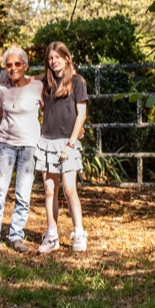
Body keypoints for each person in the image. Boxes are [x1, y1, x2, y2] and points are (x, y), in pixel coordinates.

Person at [0, 46, 43, 254]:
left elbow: (51, 108)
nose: (13, 68)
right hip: (5, 144)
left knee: (23, 193)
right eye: (9, 65)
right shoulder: (1, 87)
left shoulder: (37, 86)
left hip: (29, 145)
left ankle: (16, 235)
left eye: (18, 64)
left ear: (25, 66)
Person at [36, 41, 88, 253]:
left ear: (66, 58)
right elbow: (24, 83)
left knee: (69, 189)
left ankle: (79, 232)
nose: (53, 61)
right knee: (49, 190)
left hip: (68, 141)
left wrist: (71, 143)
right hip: (47, 140)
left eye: (57, 57)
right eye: (50, 58)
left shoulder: (77, 82)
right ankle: (52, 235)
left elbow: (82, 114)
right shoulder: (45, 83)